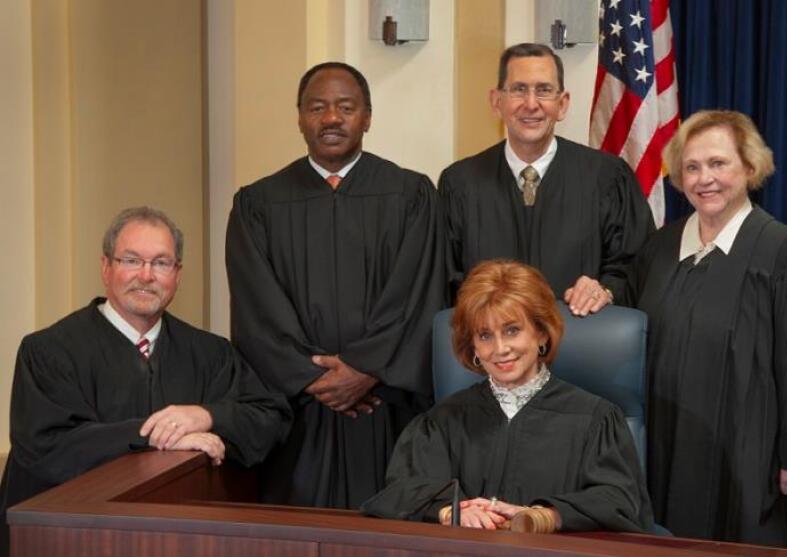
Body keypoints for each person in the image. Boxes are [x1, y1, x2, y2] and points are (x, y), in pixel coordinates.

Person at [624, 110, 787, 546]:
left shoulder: (783, 252)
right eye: (693, 167)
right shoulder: (661, 248)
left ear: (749, 166)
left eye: (719, 163)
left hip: (748, 454)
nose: (706, 179)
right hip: (664, 445)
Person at [0, 207, 291, 557]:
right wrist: (158, 434)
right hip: (74, 542)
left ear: (178, 274)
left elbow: (271, 418)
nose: (146, 275)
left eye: (162, 263)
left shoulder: (211, 353)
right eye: (131, 260)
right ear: (106, 267)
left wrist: (206, 416)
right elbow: (46, 446)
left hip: (180, 541)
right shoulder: (48, 351)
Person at [226, 62, 445, 510]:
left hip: (387, 407)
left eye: (345, 107)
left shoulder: (411, 195)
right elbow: (256, 307)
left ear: (367, 116)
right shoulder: (258, 203)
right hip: (300, 413)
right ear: (300, 117)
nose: (331, 118)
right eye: (317, 107)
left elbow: (420, 293)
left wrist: (367, 369)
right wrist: (316, 379)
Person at [362, 260, 652, 533]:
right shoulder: (443, 421)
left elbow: (620, 502)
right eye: (485, 336)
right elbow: (400, 491)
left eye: (512, 330)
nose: (500, 349)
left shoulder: (594, 419)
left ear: (541, 333)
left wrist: (543, 517)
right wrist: (450, 512)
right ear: (473, 346)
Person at [439, 43, 654, 315]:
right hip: (491, 349)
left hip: (581, 345)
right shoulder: (460, 184)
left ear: (562, 104)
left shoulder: (607, 178)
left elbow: (637, 265)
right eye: (518, 90)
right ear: (497, 102)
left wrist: (605, 289)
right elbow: (445, 281)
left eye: (544, 90)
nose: (531, 104)